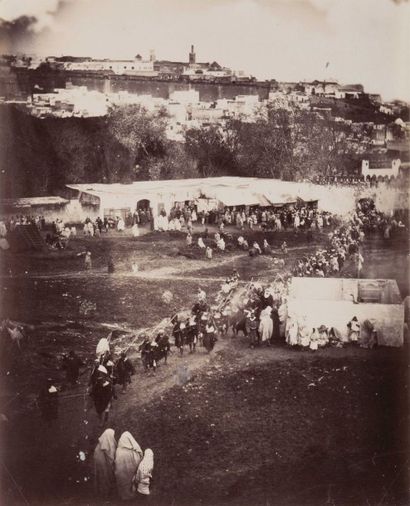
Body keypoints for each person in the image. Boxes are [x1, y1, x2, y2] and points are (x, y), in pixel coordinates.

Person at [114, 431, 143, 501]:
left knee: (123, 483)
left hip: (121, 474)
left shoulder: (118, 450)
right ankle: (131, 497)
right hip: (131, 473)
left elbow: (116, 462)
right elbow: (138, 461)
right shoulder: (133, 452)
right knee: (130, 483)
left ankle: (123, 497)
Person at [94, 428, 117, 498]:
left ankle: (100, 492)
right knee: (104, 475)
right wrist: (114, 462)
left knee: (100, 476)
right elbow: (109, 455)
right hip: (101, 460)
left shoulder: (101, 443)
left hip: (99, 459)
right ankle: (105, 494)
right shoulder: (105, 444)